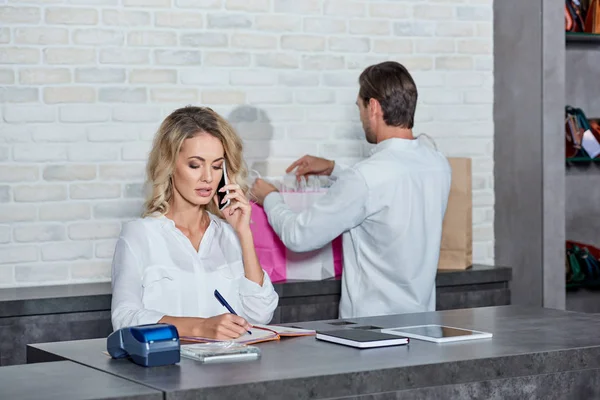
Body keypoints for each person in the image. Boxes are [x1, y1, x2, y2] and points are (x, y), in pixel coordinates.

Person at [251, 61, 451, 319]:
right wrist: (334, 169)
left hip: (371, 333)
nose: (360, 117)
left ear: (374, 107)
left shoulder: (365, 178)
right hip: (423, 323)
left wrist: (270, 197)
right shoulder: (437, 164)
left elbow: (299, 236)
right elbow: (390, 189)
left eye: (359, 107)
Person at [111, 106, 278, 340]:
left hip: (230, 371)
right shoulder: (140, 234)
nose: (208, 177)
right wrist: (200, 328)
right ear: (169, 164)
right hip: (166, 372)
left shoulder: (230, 235)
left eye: (217, 166)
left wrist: (244, 233)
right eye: (195, 165)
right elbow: (124, 318)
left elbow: (261, 314)